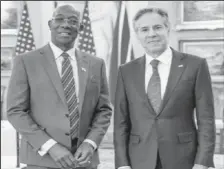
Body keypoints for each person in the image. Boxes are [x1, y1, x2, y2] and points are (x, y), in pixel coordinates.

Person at [7, 4, 112, 169]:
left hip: (83, 161)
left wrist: (90, 143)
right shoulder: (26, 61)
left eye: (72, 21)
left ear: (80, 27)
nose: (65, 24)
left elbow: (104, 110)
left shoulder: (96, 64)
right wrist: (50, 146)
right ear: (50, 24)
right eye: (60, 19)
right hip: (41, 160)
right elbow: (15, 111)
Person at [114, 7, 216, 169]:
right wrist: (122, 164)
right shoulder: (126, 71)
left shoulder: (195, 65)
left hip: (184, 159)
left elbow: (206, 120)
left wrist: (202, 161)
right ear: (137, 34)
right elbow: (121, 122)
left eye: (157, 27)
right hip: (139, 159)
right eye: (144, 29)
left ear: (167, 28)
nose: (152, 34)